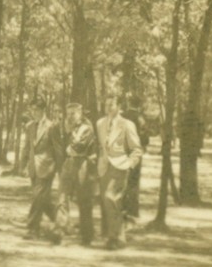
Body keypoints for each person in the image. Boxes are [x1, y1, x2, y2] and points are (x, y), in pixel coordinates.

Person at [95, 95, 145, 249]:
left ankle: (113, 238)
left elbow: (137, 149)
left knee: (111, 198)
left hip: (120, 166)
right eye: (106, 104)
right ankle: (120, 237)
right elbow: (101, 146)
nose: (108, 107)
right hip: (104, 168)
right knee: (109, 202)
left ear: (119, 106)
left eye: (112, 104)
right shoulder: (100, 123)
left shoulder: (127, 124)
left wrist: (129, 164)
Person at [22, 100, 64, 240]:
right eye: (32, 110)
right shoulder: (29, 126)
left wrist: (59, 169)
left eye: (37, 110)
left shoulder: (52, 126)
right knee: (43, 200)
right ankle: (61, 222)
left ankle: (32, 229)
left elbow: (58, 149)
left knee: (37, 197)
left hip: (47, 167)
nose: (34, 113)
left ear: (43, 110)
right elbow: (27, 147)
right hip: (33, 167)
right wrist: (23, 164)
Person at [58, 102, 98, 245]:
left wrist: (70, 139)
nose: (70, 117)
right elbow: (62, 147)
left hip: (82, 164)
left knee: (83, 200)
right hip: (68, 163)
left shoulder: (86, 128)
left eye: (73, 114)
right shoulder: (66, 128)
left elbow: (79, 148)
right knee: (62, 197)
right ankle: (60, 232)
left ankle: (87, 236)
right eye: (68, 114)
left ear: (80, 114)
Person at [121, 97, 150, 223]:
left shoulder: (122, 115)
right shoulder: (140, 118)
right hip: (134, 152)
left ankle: (121, 208)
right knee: (133, 179)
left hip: (121, 152)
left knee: (121, 179)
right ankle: (132, 210)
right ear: (139, 105)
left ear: (129, 103)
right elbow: (144, 136)